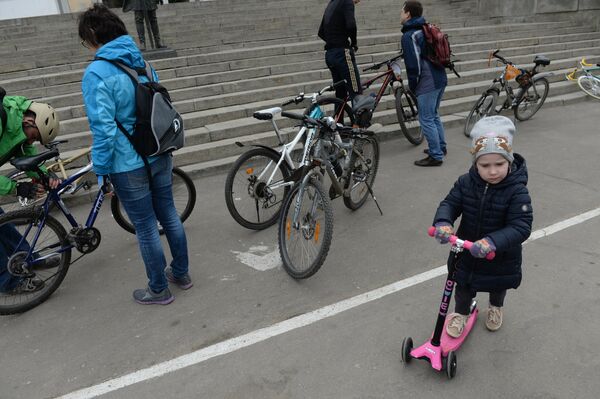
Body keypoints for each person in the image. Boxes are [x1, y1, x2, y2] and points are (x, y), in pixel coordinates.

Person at [78, 4, 190, 305]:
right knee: (168, 213)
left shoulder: (96, 73)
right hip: (159, 151)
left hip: (127, 163)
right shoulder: (141, 62)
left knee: (144, 226)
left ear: (92, 35)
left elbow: (103, 129)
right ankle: (180, 272)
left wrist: (101, 169)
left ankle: (158, 289)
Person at [432, 116, 533, 337]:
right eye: (485, 165)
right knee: (464, 284)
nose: (493, 171)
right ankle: (460, 313)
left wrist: (492, 242)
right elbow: (450, 203)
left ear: (509, 161)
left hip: (500, 254)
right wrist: (443, 222)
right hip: (467, 251)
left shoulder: (517, 191)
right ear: (475, 163)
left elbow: (521, 226)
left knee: (498, 285)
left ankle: (496, 307)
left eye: (499, 164)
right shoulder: (465, 183)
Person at [0, 95, 61, 294]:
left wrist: (44, 174)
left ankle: (28, 258)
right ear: (29, 121)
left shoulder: (19, 124)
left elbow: (26, 155)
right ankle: (10, 283)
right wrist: (17, 188)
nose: (32, 140)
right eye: (35, 136)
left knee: (3, 225)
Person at [400, 1, 448, 167]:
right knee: (433, 114)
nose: (400, 15)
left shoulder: (409, 35)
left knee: (426, 118)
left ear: (408, 14)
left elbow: (414, 65)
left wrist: (413, 85)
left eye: (402, 11)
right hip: (440, 76)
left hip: (428, 80)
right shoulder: (425, 29)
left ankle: (436, 156)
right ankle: (440, 147)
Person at [318, 0, 363, 105]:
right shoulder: (347, 1)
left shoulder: (332, 3)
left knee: (340, 93)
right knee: (355, 90)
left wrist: (333, 41)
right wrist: (354, 42)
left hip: (330, 54)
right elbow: (351, 25)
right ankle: (358, 121)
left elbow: (321, 32)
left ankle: (339, 121)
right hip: (342, 53)